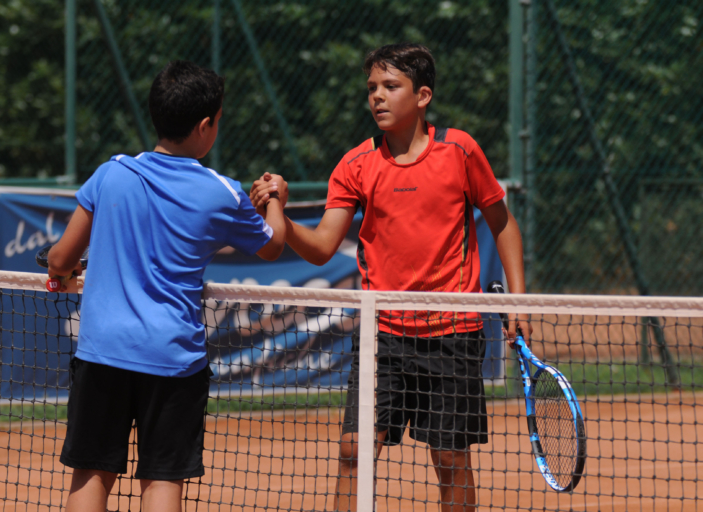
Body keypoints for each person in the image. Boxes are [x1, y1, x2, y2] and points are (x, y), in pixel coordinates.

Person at [251, 43, 532, 512]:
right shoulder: (355, 164)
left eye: (390, 86)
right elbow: (321, 248)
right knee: (355, 450)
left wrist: (519, 302)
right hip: (382, 335)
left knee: (450, 457)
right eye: (371, 88)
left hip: (454, 333)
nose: (377, 97)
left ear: (422, 96)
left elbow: (502, 224)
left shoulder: (460, 150)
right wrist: (277, 208)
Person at [46, 60, 287, 512]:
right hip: (173, 359)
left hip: (102, 352)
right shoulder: (223, 192)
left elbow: (59, 259)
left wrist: (64, 269)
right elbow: (273, 245)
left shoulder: (111, 172)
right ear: (205, 125)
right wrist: (275, 198)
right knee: (162, 483)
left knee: (91, 474)